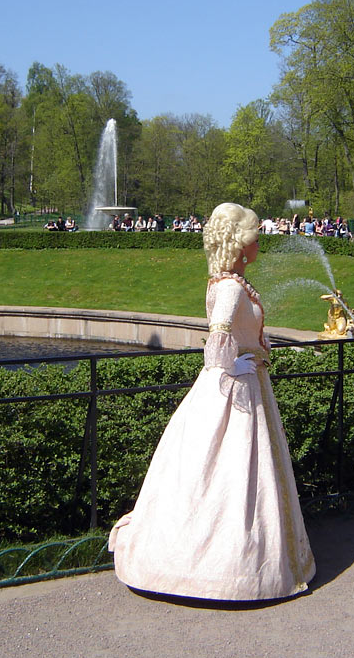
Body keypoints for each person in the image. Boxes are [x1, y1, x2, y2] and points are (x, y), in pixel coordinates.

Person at [109, 202, 316, 600]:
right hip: (233, 391)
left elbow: (234, 330)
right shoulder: (230, 287)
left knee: (231, 474)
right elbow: (218, 337)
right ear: (240, 245)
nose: (260, 243)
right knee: (230, 473)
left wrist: (251, 350)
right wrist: (233, 363)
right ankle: (228, 570)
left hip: (242, 382)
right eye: (256, 237)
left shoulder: (227, 282)